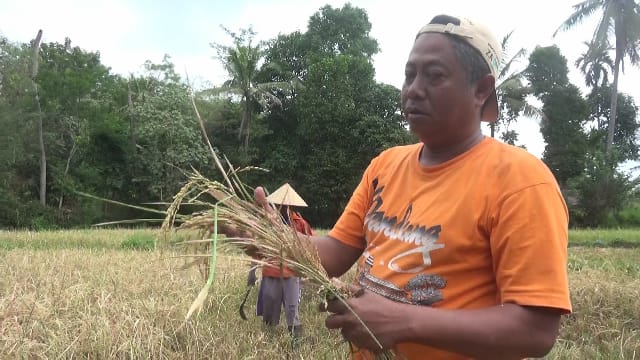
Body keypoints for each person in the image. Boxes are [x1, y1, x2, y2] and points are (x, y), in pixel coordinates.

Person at [238, 14, 571, 360]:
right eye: (409, 75)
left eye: (434, 75)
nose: (413, 89)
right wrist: (272, 240)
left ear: (481, 89)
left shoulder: (521, 181)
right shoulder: (386, 165)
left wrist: (406, 322)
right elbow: (335, 253)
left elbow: (536, 330)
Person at [247, 183, 314, 338]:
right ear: (276, 204)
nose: (284, 207)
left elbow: (312, 247)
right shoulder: (267, 224)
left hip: (292, 273)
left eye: (287, 204)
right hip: (271, 271)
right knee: (270, 306)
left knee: (292, 308)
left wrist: (311, 271)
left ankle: (296, 339)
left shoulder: (300, 224)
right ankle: (268, 339)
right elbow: (258, 248)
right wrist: (252, 271)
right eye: (281, 204)